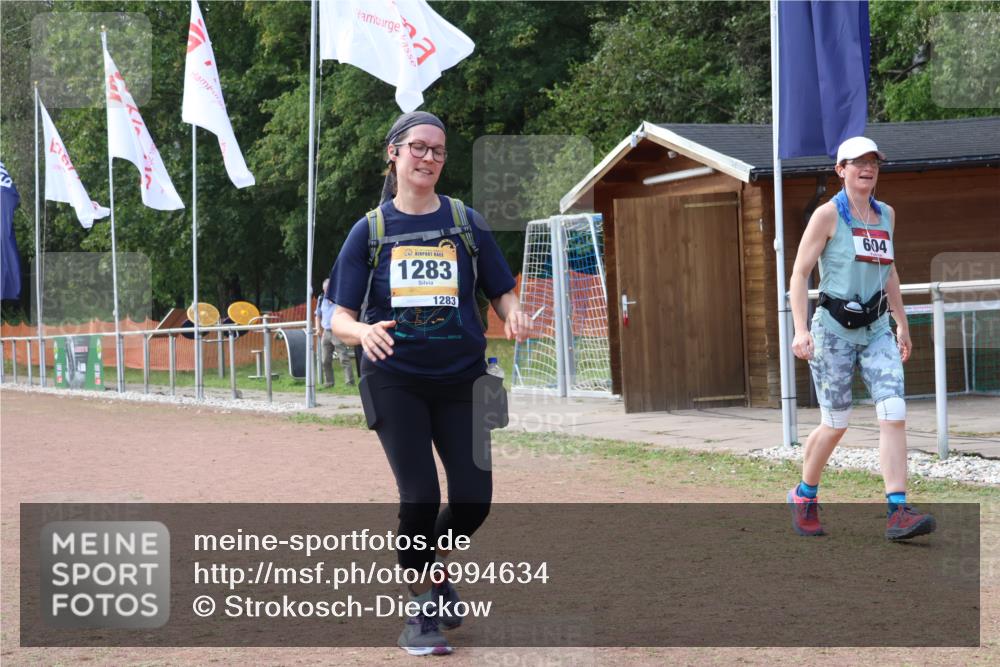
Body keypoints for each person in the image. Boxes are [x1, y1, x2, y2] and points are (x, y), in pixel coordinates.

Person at [328, 110, 531, 656]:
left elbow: (500, 289)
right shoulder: (369, 230)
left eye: (438, 151)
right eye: (418, 147)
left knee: (472, 502)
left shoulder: (467, 222)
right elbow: (337, 315)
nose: (429, 158)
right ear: (393, 154)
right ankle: (420, 609)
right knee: (419, 498)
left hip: (462, 379)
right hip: (394, 377)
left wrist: (512, 312)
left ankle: (428, 568)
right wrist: (361, 331)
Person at [787, 136, 935, 541]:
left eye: (873, 162)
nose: (867, 168)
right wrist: (800, 330)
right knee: (835, 423)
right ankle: (804, 495)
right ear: (841, 170)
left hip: (876, 330)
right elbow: (799, 275)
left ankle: (897, 509)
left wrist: (901, 323)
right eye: (857, 163)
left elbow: (888, 271)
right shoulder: (827, 216)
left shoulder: (885, 213)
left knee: (894, 410)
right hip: (832, 330)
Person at [314, 278, 355, 388]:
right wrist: (318, 328)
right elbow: (318, 315)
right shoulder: (321, 298)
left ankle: (349, 382)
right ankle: (329, 382)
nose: (326, 292)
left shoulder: (340, 297)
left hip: (337, 331)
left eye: (328, 289)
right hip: (326, 332)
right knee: (325, 360)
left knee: (343, 358)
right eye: (325, 290)